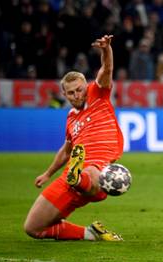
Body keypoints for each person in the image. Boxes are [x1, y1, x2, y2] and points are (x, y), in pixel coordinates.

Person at [24, 35, 125, 241]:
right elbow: (66, 150)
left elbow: (106, 69)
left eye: (79, 90)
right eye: (70, 93)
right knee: (33, 228)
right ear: (64, 94)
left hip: (97, 170)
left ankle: (79, 178)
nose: (76, 95)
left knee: (91, 172)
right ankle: (91, 233)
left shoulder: (98, 95)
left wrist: (106, 50)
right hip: (68, 176)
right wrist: (48, 173)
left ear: (86, 87)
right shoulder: (71, 119)